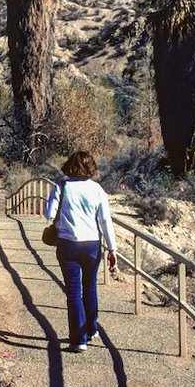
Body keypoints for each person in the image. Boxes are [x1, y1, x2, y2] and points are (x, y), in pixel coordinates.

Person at [44, 150, 118, 353]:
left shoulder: (63, 186)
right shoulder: (97, 190)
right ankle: (92, 329)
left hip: (68, 244)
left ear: (70, 165)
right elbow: (105, 221)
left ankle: (79, 339)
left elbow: (48, 214)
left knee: (73, 291)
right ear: (91, 167)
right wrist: (112, 249)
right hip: (92, 245)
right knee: (90, 286)